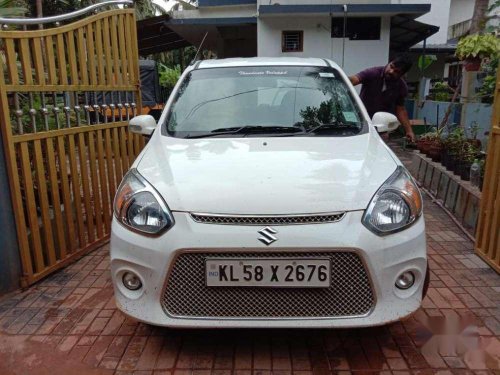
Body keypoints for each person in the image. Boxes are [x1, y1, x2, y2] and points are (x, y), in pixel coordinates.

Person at [349, 55, 416, 143]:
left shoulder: (401, 87)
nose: (391, 71)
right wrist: (338, 77)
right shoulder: (372, 73)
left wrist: (409, 131)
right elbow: (354, 80)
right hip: (360, 122)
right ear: (389, 63)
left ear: (402, 74)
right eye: (391, 66)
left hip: (381, 127)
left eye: (396, 71)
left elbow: (400, 109)